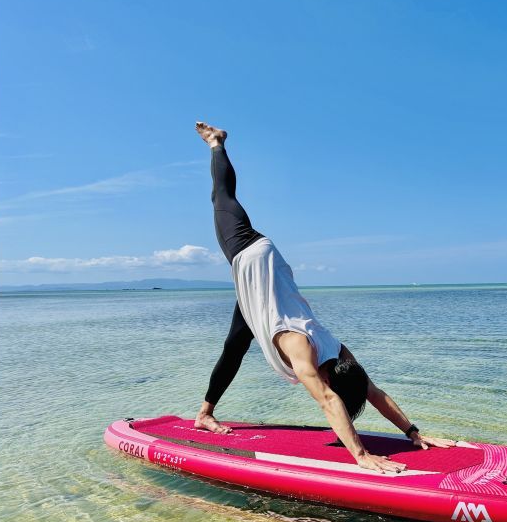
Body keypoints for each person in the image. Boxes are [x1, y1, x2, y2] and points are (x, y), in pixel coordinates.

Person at [193, 122, 455, 473]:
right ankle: (216, 143)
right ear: (331, 378)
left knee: (235, 346)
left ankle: (204, 414)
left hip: (266, 284)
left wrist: (414, 434)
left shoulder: (342, 357)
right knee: (222, 199)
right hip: (250, 254)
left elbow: (372, 393)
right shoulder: (300, 348)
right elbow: (328, 401)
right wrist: (361, 456)